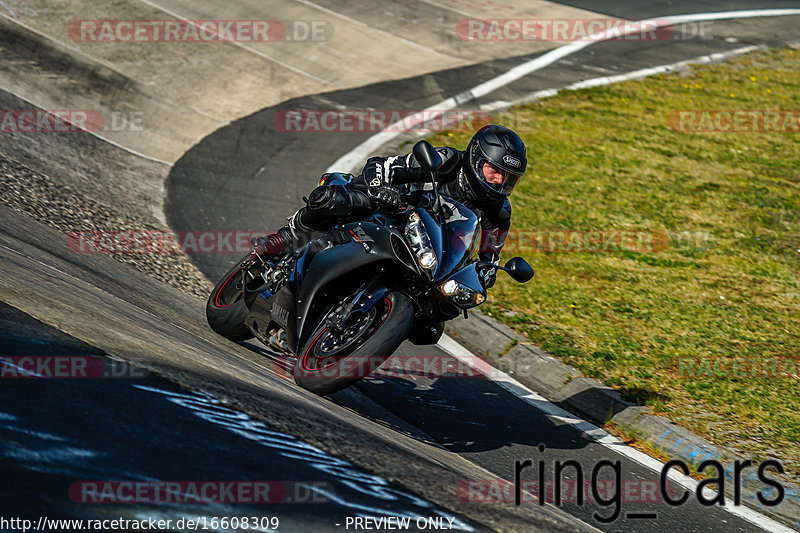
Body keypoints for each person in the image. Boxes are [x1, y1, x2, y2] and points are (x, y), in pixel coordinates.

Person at [252, 124, 527, 288]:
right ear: (476, 159)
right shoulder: (446, 161)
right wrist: (381, 190)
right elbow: (382, 165)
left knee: (437, 318)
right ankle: (286, 237)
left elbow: (490, 257)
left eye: (509, 177)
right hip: (388, 211)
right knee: (332, 199)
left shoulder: (499, 211)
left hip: (425, 250)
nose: (500, 181)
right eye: (495, 171)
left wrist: (487, 272)